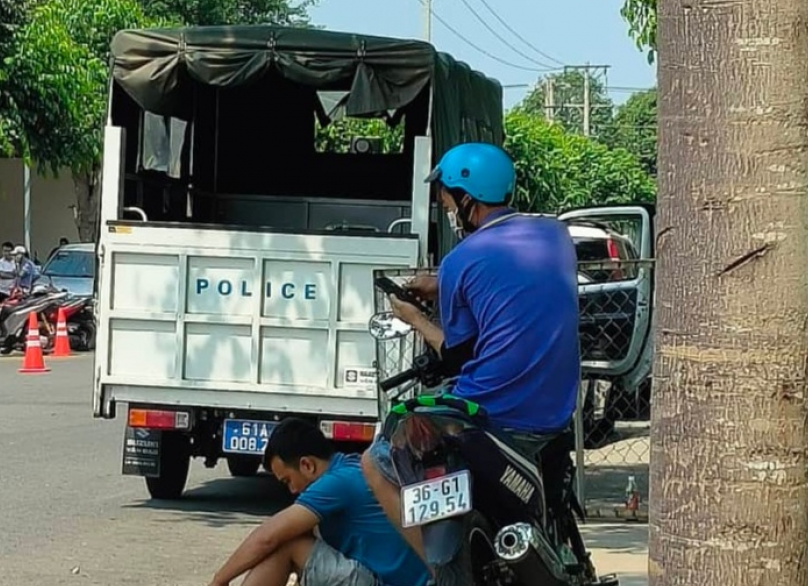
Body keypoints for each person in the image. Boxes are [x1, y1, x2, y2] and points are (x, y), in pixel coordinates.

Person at [362, 142, 581, 569]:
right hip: (555, 412)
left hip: (491, 411)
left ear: (467, 198)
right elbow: (513, 284)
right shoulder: (556, 235)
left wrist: (414, 318)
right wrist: (442, 281)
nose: (446, 208)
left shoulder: (461, 259)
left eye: (446, 200)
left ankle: (434, 567)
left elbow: (457, 354)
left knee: (375, 460)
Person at [206, 418, 430, 586]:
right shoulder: (350, 467)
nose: (292, 490)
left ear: (307, 465)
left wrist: (219, 580)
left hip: (388, 582)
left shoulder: (336, 483)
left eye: (288, 481)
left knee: (287, 544)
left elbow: (267, 538)